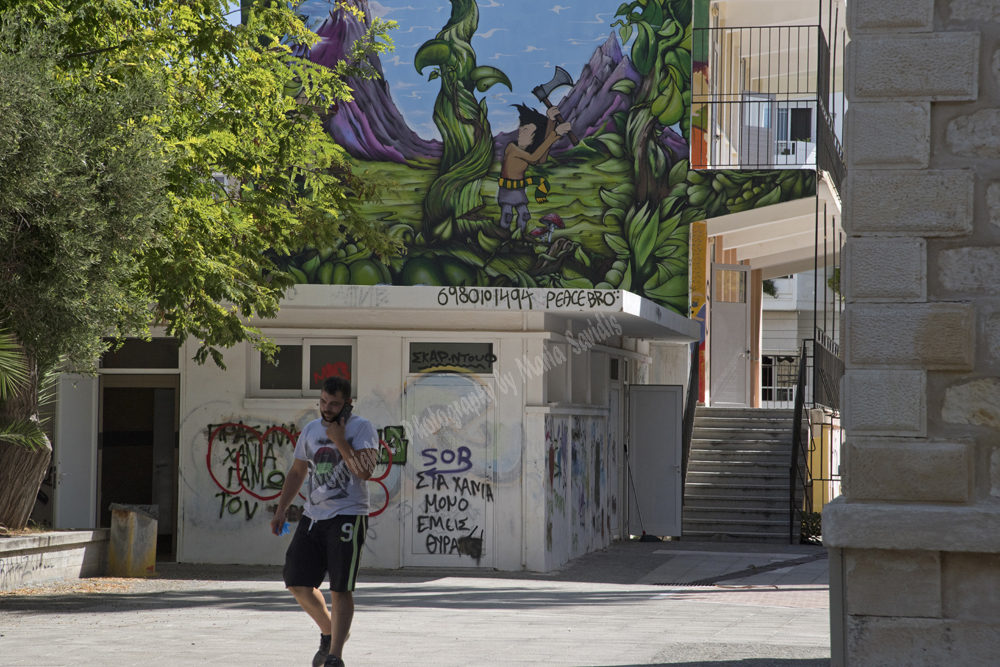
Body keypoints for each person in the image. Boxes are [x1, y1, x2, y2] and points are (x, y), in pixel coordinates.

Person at [270, 376, 380, 667]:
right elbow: (296, 473)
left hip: (348, 515)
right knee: (296, 581)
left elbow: (366, 471)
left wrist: (340, 440)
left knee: (340, 588)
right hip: (313, 516)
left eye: (334, 404)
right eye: (323, 402)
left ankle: (335, 657)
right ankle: (331, 633)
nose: (327, 408)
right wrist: (281, 509)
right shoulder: (309, 429)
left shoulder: (362, 427)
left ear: (348, 404)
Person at [497, 104, 572, 233]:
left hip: (519, 190)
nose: (520, 132)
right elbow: (533, 158)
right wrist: (555, 134)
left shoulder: (528, 152)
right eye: (521, 129)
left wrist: (551, 122)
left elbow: (541, 158)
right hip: (507, 190)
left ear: (534, 137)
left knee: (525, 215)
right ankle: (504, 236)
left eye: (525, 130)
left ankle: (518, 237)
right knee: (507, 215)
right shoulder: (512, 148)